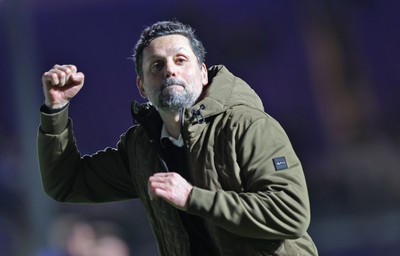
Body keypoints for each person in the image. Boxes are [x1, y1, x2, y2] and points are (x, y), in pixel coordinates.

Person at [37, 20, 318, 256]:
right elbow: (67, 184)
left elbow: (290, 212)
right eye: (156, 66)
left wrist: (193, 197)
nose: (169, 69)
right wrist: (56, 109)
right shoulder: (141, 148)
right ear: (142, 87)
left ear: (203, 74)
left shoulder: (247, 125)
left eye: (180, 60)